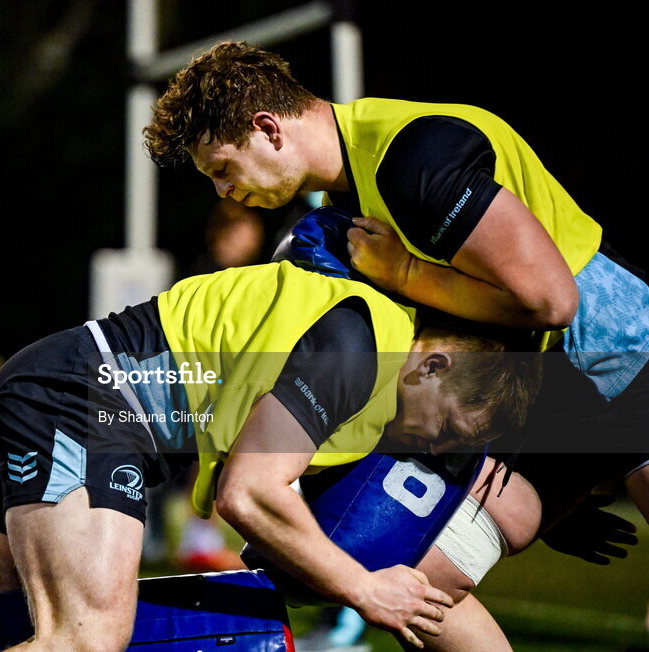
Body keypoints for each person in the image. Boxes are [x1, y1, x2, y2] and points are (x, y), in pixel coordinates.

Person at [144, 41, 649, 649]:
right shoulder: (348, 197)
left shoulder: (411, 157)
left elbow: (552, 300)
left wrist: (406, 275)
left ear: (267, 129)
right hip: (544, 388)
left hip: (629, 361)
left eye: (222, 168)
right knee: (413, 587)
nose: (223, 193)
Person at [0, 259, 541, 651]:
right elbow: (248, 494)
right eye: (445, 427)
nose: (435, 448)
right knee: (86, 639)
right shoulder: (359, 351)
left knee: (24, 627)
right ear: (434, 365)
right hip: (84, 397)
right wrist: (364, 588)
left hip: (73, 393)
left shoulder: (379, 362)